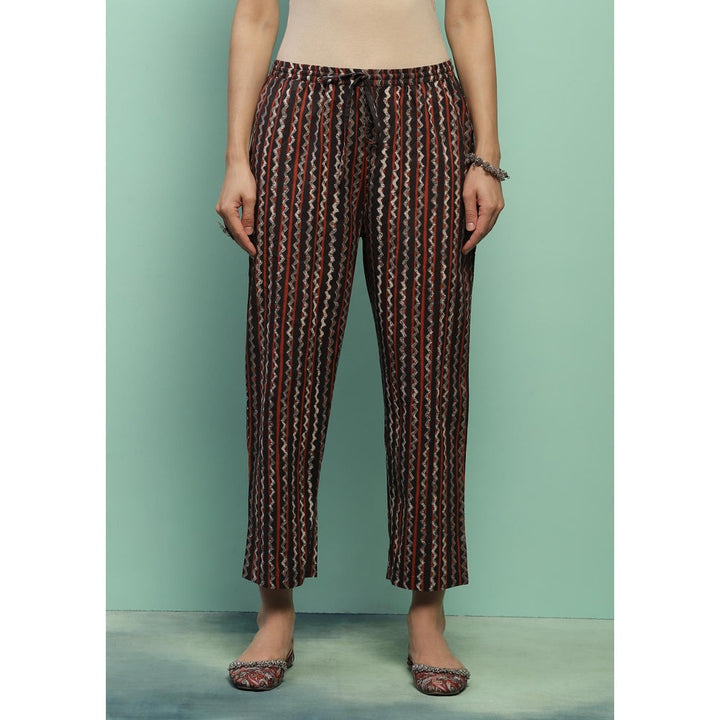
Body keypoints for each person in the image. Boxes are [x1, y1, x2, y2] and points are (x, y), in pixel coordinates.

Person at [215, 0, 507, 696]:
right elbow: (255, 16)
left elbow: (468, 14)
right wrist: (236, 158)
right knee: (284, 363)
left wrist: (487, 158)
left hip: (427, 112)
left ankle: (428, 613)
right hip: (301, 108)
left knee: (430, 366)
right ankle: (275, 608)